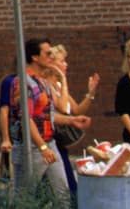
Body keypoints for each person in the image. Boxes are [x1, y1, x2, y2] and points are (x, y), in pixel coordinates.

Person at [0, 38, 82, 205]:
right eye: (47, 53)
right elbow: (25, 118)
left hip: (49, 142)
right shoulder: (23, 83)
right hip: (31, 147)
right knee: (24, 196)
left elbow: (53, 111)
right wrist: (42, 146)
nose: (51, 57)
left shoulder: (43, 81)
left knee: (62, 193)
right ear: (35, 57)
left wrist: (71, 120)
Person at [43, 43, 100, 197]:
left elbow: (76, 110)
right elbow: (61, 107)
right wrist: (63, 79)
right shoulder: (46, 85)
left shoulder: (59, 85)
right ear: (52, 64)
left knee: (66, 180)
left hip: (61, 140)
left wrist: (90, 94)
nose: (65, 64)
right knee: (64, 181)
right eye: (61, 61)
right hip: (51, 138)